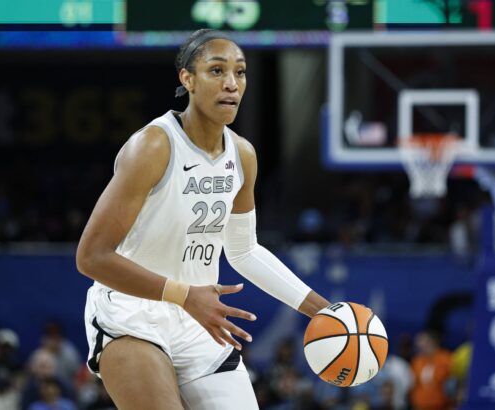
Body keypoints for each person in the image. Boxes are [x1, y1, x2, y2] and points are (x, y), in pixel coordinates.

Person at [76, 28, 331, 409]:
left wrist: (324, 311)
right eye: (216, 70)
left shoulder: (242, 155)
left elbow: (243, 252)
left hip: (199, 323)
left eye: (240, 72)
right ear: (187, 79)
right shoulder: (154, 145)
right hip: (131, 315)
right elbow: (91, 257)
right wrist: (184, 295)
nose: (231, 83)